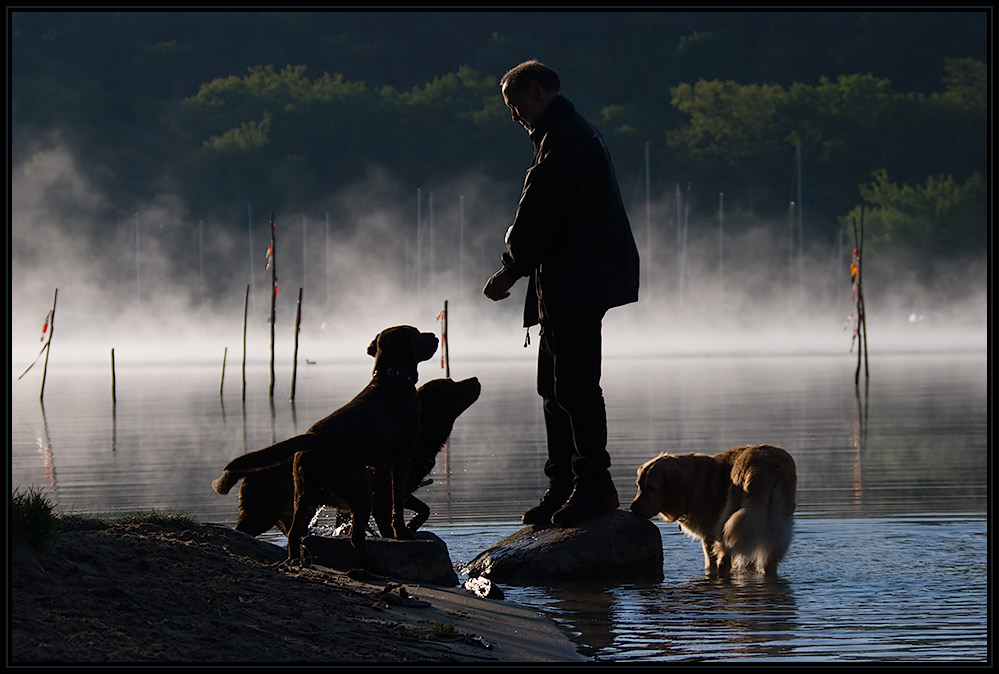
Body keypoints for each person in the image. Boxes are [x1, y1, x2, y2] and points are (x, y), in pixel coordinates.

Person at [482, 60, 640, 526]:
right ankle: (565, 485)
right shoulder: (564, 134)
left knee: (574, 386)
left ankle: (593, 486)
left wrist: (510, 270)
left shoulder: (565, 137)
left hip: (578, 280)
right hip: (571, 279)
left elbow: (539, 213)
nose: (514, 116)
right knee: (553, 387)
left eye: (515, 105)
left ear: (537, 92)